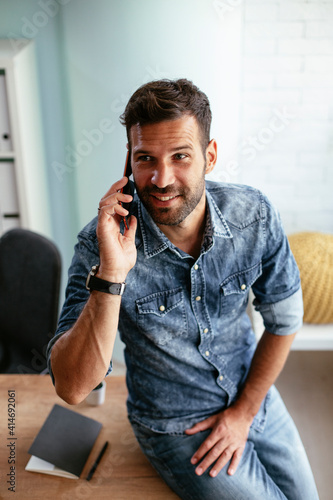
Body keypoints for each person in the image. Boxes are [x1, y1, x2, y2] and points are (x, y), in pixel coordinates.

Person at [47, 79, 319, 500]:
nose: (160, 178)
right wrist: (111, 275)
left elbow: (286, 320)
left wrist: (244, 412)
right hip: (175, 425)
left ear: (209, 157)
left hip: (255, 397)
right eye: (145, 159)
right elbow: (72, 387)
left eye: (180, 157)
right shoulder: (98, 246)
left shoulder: (255, 216)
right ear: (128, 164)